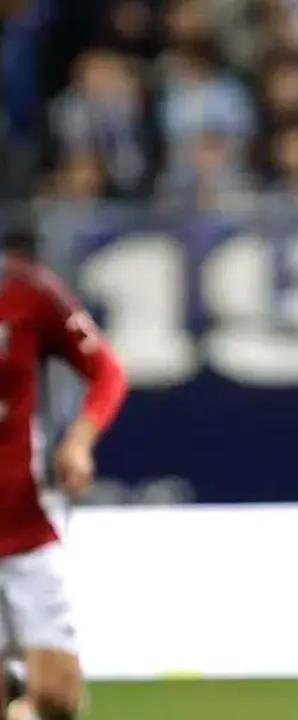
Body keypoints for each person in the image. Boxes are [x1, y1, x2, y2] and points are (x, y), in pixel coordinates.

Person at [0, 231, 129, 720]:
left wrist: (79, 441)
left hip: (28, 525)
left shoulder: (29, 291)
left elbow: (107, 372)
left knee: (57, 701)